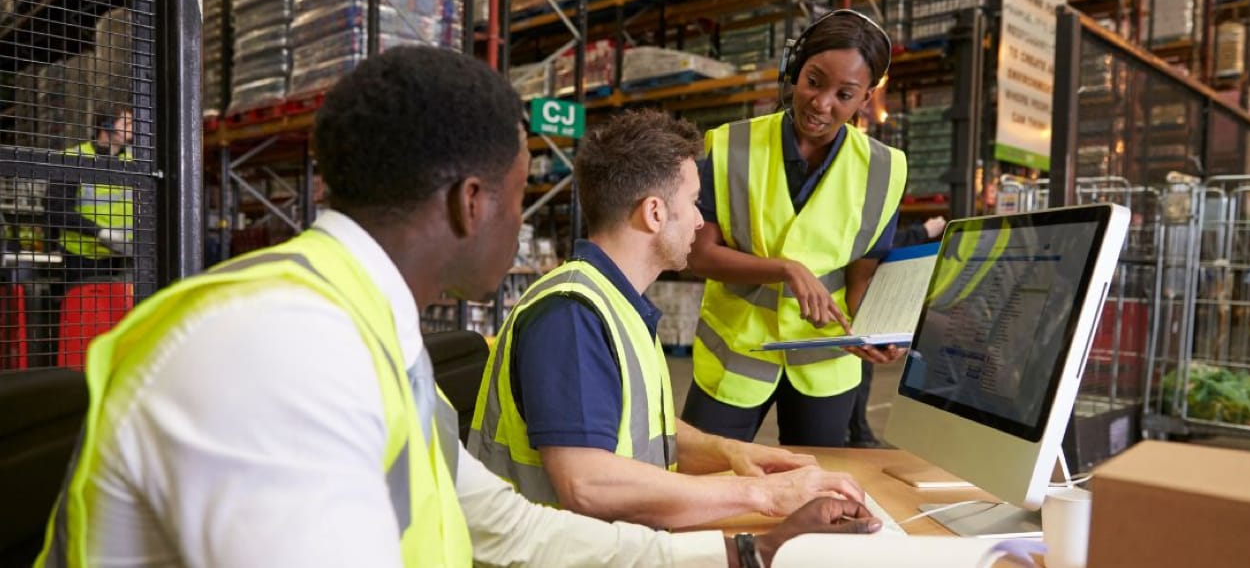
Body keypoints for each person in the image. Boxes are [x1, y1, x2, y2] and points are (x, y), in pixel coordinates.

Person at [35, 47, 879, 568]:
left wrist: (741, 550)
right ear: (471, 204)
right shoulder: (273, 350)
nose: (529, 220)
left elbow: (505, 527)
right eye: (520, 196)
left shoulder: (374, 327)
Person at [469, 109, 866, 530]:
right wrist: (762, 495)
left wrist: (733, 453)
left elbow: (643, 430)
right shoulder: (571, 315)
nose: (699, 219)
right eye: (694, 202)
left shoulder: (613, 302)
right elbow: (587, 483)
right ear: (654, 213)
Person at [682, 10, 909, 447]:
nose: (822, 103)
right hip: (736, 352)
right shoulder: (730, 145)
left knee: (816, 490)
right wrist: (784, 269)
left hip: (824, 360)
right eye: (813, 81)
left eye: (844, 94)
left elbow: (863, 269)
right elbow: (699, 255)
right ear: (794, 71)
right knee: (700, 473)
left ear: (865, 99)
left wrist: (873, 329)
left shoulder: (885, 169)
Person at [844, 213, 948, 447]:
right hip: (850, 314)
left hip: (858, 311)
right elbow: (880, 244)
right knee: (860, 372)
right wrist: (921, 232)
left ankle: (859, 430)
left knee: (861, 372)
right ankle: (859, 432)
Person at [47, 109, 135, 283]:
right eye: (126, 124)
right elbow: (55, 209)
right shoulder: (74, 158)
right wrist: (100, 232)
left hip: (125, 258)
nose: (133, 129)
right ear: (107, 127)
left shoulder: (134, 162)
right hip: (83, 259)